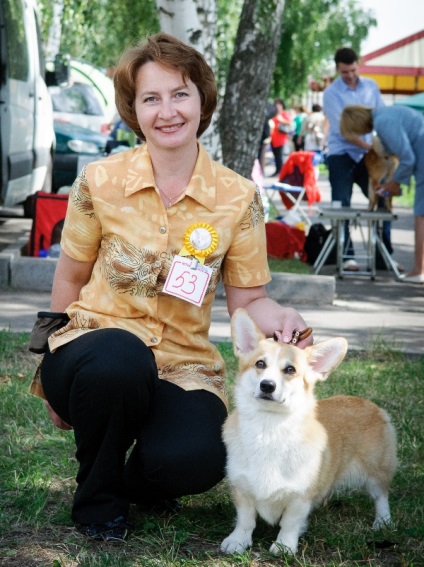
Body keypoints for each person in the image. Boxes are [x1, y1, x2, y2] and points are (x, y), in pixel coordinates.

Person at [30, 33, 314, 543]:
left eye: (180, 93)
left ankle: (135, 481)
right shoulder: (99, 180)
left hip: (183, 366)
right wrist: (46, 359)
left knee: (200, 458)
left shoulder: (238, 196)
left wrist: (283, 319)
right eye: (150, 98)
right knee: (120, 356)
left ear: (201, 99)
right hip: (94, 352)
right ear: (133, 109)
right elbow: (69, 277)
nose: (168, 111)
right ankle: (98, 500)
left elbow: (249, 299)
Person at [323, 47, 394, 272]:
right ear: (337, 69)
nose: (350, 75)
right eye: (345, 72)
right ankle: (347, 257)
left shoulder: (371, 86)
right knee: (342, 203)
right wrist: (371, 146)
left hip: (369, 156)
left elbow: (381, 118)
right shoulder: (331, 93)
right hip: (341, 154)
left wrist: (381, 147)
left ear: (358, 65)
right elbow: (344, 130)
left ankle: (384, 256)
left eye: (353, 70)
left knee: (382, 198)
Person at [340, 104, 424, 283]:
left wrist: (394, 183)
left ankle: (418, 270)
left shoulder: (383, 122)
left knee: (421, 217)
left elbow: (407, 158)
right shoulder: (389, 113)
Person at [269, 98, 292, 176]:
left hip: (281, 139)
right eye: (276, 104)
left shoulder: (285, 114)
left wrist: (281, 120)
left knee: (280, 156)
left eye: (279, 104)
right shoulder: (273, 114)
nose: (278, 106)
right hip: (273, 138)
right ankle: (277, 170)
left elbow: (290, 123)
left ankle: (281, 171)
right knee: (276, 156)